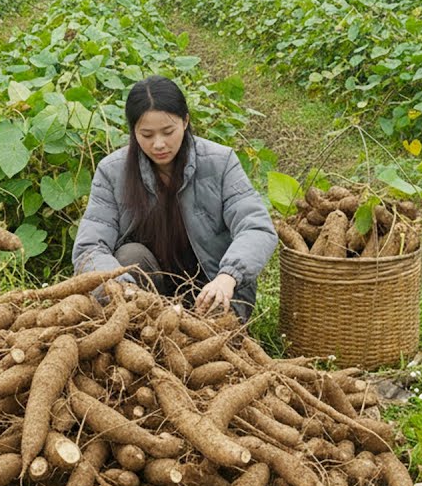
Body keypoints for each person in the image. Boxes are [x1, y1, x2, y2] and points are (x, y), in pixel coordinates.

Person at [72, 75, 277, 321]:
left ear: (185, 121)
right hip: (144, 295)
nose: (159, 144)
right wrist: (121, 287)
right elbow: (89, 247)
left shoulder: (221, 162)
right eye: (146, 135)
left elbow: (257, 227)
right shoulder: (112, 171)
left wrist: (228, 276)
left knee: (216, 336)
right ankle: (141, 325)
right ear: (133, 131)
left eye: (168, 132)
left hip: (212, 290)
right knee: (129, 257)